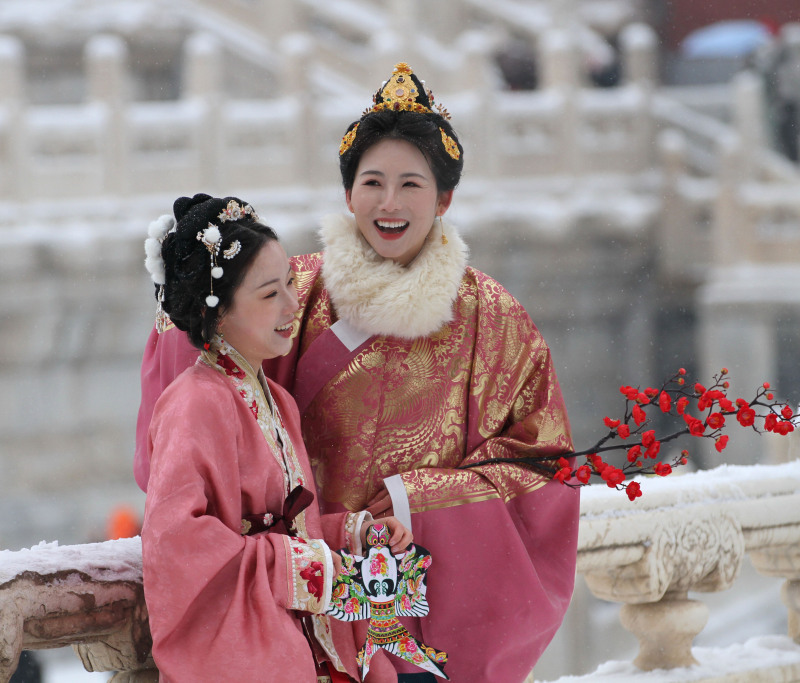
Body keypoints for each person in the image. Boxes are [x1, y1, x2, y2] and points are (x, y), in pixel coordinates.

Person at [136, 64, 580, 683]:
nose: (389, 203)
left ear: (444, 198)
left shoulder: (495, 320)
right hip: (309, 622)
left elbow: (546, 470)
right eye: (372, 182)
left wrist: (415, 501)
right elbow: (208, 386)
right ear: (348, 193)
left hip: (428, 612)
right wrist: (184, 290)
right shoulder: (293, 289)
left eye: (411, 184)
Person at [139, 193, 411, 683]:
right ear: (217, 313)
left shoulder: (275, 398)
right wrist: (295, 567)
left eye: (290, 283)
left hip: (299, 644)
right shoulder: (194, 403)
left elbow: (283, 530)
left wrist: (352, 533)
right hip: (254, 658)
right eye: (269, 295)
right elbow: (176, 544)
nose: (292, 304)